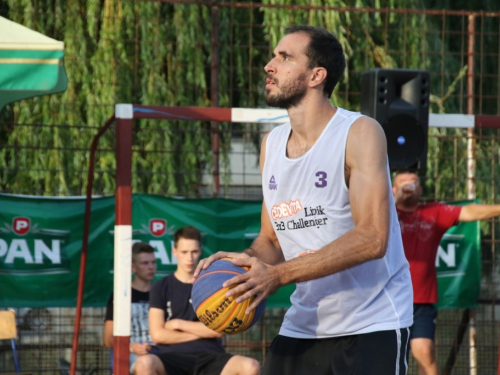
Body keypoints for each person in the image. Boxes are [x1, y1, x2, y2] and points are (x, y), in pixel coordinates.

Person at [194, 25, 413, 375]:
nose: (269, 65)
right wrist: (245, 267)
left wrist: (277, 276)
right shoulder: (272, 145)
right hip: (305, 323)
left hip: (372, 321)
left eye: (284, 57)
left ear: (316, 75)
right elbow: (271, 239)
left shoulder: (359, 133)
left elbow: (373, 237)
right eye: (273, 56)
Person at [392, 170, 500, 375]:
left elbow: (468, 212)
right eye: (403, 183)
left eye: (413, 182)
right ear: (393, 189)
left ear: (420, 189)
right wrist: (393, 201)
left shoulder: (433, 212)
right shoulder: (385, 214)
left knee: (424, 352)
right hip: (389, 301)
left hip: (421, 301)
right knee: (387, 357)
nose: (409, 186)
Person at [133, 226, 260, 375]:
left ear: (200, 251)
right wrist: (202, 331)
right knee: (143, 364)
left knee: (251, 366)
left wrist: (177, 324)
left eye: (193, 252)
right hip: (172, 358)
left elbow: (218, 330)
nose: (189, 258)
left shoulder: (214, 284)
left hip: (211, 357)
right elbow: (158, 335)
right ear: (174, 252)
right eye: (184, 252)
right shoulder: (160, 287)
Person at [104, 241, 158, 373]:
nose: (151, 267)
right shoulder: (121, 295)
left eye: (153, 262)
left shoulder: (161, 293)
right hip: (130, 354)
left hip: (160, 351)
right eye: (145, 263)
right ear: (133, 267)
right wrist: (130, 347)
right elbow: (108, 338)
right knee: (145, 365)